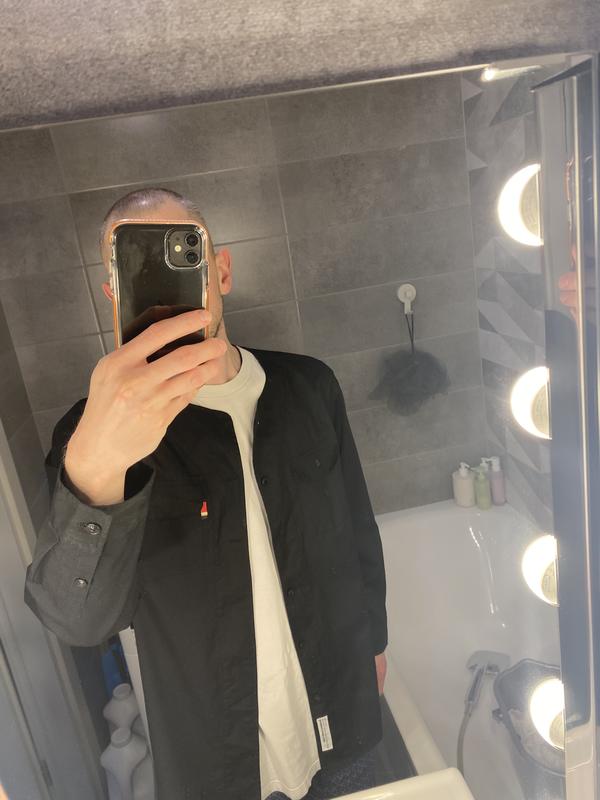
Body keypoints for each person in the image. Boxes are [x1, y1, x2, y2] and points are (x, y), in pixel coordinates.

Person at [24, 188, 388, 800]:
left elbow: (357, 527)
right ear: (114, 293)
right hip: (216, 758)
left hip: (340, 715)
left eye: (183, 256)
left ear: (220, 271)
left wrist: (375, 641)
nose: (163, 291)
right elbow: (78, 622)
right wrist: (95, 465)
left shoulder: (310, 385)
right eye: (135, 270)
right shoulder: (91, 433)